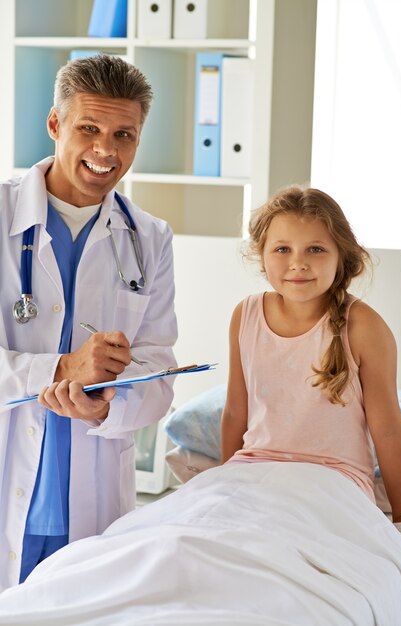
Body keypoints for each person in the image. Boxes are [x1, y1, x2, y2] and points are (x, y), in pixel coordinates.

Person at [0, 54, 177, 591]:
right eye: (89, 128)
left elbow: (160, 370)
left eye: (124, 134)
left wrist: (107, 401)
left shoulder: (150, 239)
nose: (106, 151)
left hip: (92, 491)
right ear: (54, 124)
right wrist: (59, 369)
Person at [221, 185, 401, 529]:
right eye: (282, 249)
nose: (298, 263)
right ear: (262, 255)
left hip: (333, 482)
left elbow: (387, 429)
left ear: (342, 256)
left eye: (315, 249)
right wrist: (225, 486)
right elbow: (236, 412)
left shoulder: (363, 326)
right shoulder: (246, 315)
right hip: (253, 474)